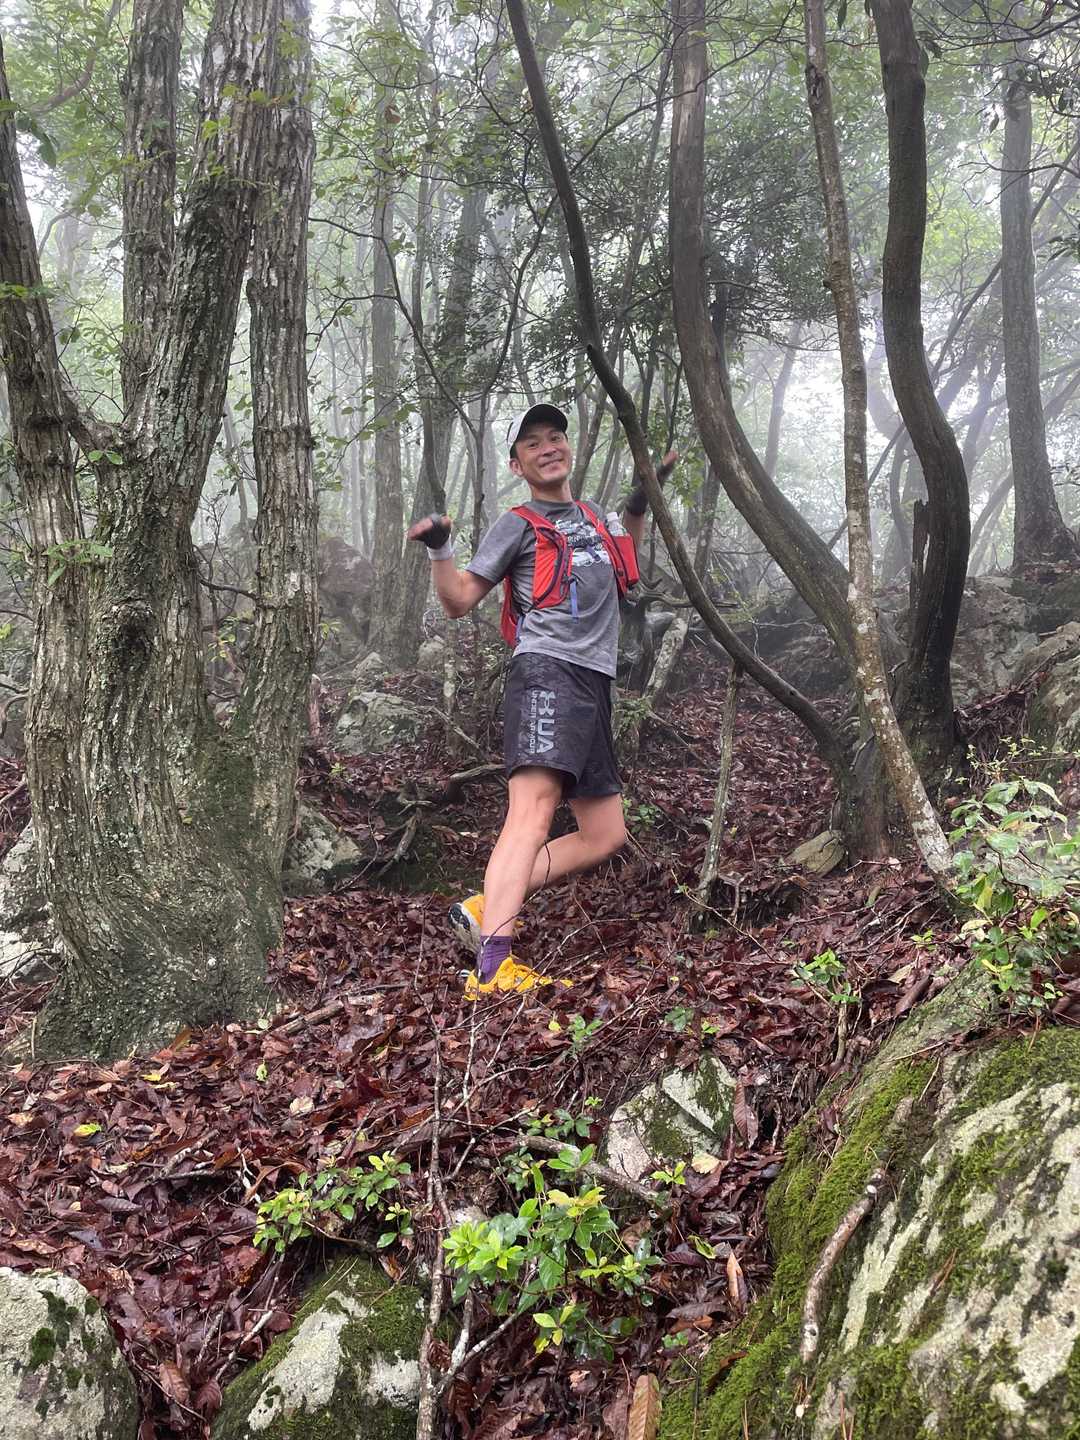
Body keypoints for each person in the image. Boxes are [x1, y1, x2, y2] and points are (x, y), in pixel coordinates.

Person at [407, 402, 674, 998]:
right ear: (517, 464)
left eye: (555, 436)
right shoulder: (518, 524)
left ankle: (488, 904)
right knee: (532, 811)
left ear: (568, 448)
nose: (548, 447)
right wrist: (440, 548)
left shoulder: (596, 517)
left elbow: (626, 554)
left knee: (604, 833)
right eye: (532, 443)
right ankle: (493, 969)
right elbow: (458, 601)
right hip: (547, 672)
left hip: (595, 680)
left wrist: (642, 496)